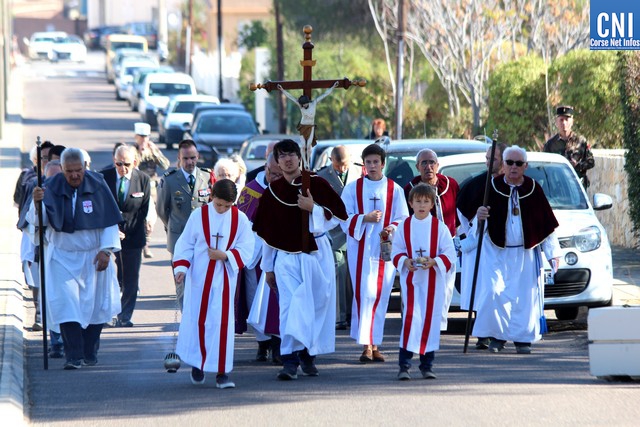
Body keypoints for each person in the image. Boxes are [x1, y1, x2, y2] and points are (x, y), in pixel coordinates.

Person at [252, 139, 348, 380]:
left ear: (299, 156)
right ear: (276, 161)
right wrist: (268, 267)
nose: (287, 159)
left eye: (291, 154)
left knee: (314, 305)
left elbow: (339, 216)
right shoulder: (273, 192)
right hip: (286, 258)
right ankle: (289, 360)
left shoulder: (315, 183)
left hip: (315, 254)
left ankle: (307, 354)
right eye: (282, 156)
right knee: (290, 307)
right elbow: (268, 235)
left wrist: (313, 208)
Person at [28, 148, 123, 369]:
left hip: (93, 256)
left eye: (78, 170)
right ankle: (74, 356)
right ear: (62, 169)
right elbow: (39, 222)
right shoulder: (49, 187)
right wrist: (37, 204)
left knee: (96, 307)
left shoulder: (98, 185)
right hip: (63, 257)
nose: (74, 175)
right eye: (69, 171)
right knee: (66, 306)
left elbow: (110, 221)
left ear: (85, 167)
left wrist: (106, 250)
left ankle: (89, 350)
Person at [472, 146, 561, 354]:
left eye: (518, 163)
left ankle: (522, 339)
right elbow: (474, 223)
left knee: (524, 297)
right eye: (509, 162)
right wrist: (480, 216)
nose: (513, 167)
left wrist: (553, 254)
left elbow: (546, 225)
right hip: (496, 251)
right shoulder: (491, 187)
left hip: (525, 252)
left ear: (525, 166)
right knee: (494, 292)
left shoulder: (534, 189)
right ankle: (498, 337)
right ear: (503, 165)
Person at [173, 179, 254, 389]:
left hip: (225, 279)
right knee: (198, 321)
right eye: (218, 204)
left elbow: (247, 248)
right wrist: (181, 268)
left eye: (227, 206)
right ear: (211, 196)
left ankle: (222, 372)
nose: (222, 209)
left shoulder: (240, 219)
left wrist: (225, 255)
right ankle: (197, 364)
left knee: (221, 324)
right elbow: (185, 243)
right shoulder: (198, 216)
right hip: (199, 279)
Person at [341, 143, 409, 364]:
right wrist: (364, 218)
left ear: (383, 163)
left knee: (380, 294)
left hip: (384, 248)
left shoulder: (394, 189)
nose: (372, 166)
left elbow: (403, 218)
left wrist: (392, 228)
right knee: (364, 294)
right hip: (360, 249)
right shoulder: (352, 189)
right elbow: (343, 217)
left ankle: (376, 344)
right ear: (364, 164)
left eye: (375, 162)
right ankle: (365, 346)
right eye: (368, 162)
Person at [391, 183, 456, 380]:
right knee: (411, 320)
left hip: (432, 283)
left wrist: (434, 261)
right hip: (412, 282)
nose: (421, 205)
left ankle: (427, 365)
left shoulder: (439, 227)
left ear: (432, 205)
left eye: (426, 202)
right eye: (418, 201)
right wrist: (405, 261)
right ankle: (404, 366)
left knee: (430, 321)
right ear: (410, 203)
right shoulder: (404, 227)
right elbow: (396, 250)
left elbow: (450, 253)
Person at [456, 142, 507, 349]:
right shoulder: (475, 185)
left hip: (506, 248)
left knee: (500, 291)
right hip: (482, 246)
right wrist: (475, 222)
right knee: (483, 289)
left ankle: (501, 333)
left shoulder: (511, 185)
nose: (488, 162)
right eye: (487, 158)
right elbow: (461, 217)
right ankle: (483, 334)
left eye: (493, 159)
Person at [237, 154, 283, 363]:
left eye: (279, 174)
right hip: (256, 255)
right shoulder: (251, 191)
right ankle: (262, 343)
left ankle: (278, 344)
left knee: (278, 301)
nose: (275, 177)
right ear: (266, 168)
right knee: (255, 298)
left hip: (281, 254)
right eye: (272, 173)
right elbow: (241, 223)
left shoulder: (290, 190)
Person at [157, 139, 213, 310]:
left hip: (202, 239)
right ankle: (185, 316)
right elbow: (161, 209)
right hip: (178, 238)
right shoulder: (170, 180)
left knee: (201, 280)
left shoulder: (207, 177)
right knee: (181, 281)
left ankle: (198, 315)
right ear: (179, 158)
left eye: (193, 158)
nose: (190, 162)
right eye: (186, 158)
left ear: (198, 157)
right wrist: (172, 226)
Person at [101, 144, 151, 327]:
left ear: (135, 162)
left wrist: (126, 230)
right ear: (114, 161)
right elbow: (100, 206)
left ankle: (125, 315)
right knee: (108, 275)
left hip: (133, 235)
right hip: (108, 233)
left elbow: (143, 210)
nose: (123, 168)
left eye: (127, 164)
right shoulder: (104, 177)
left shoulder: (143, 179)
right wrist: (112, 229)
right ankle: (107, 313)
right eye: (119, 164)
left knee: (130, 277)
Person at [317, 145, 363, 330]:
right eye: (338, 165)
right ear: (331, 161)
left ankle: (353, 314)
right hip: (334, 231)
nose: (342, 169)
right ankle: (340, 316)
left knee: (352, 274)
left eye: (345, 165)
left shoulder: (360, 172)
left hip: (355, 231)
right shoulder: (322, 176)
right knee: (338, 272)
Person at [278, 82, 339, 167]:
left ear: (307, 102)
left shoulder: (313, 104)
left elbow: (324, 94)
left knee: (309, 146)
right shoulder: (301, 106)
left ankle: (308, 162)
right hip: (303, 127)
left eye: (304, 104)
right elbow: (291, 97)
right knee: (303, 146)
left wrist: (333, 87)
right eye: (302, 105)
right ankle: (304, 163)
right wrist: (282, 90)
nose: (303, 106)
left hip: (311, 126)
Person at [543, 105, 594, 188]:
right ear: (556, 122)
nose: (564, 123)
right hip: (558, 187)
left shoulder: (581, 141)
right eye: (561, 120)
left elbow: (591, 162)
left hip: (577, 186)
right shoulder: (550, 144)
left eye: (567, 119)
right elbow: (544, 166)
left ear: (572, 121)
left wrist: (577, 165)